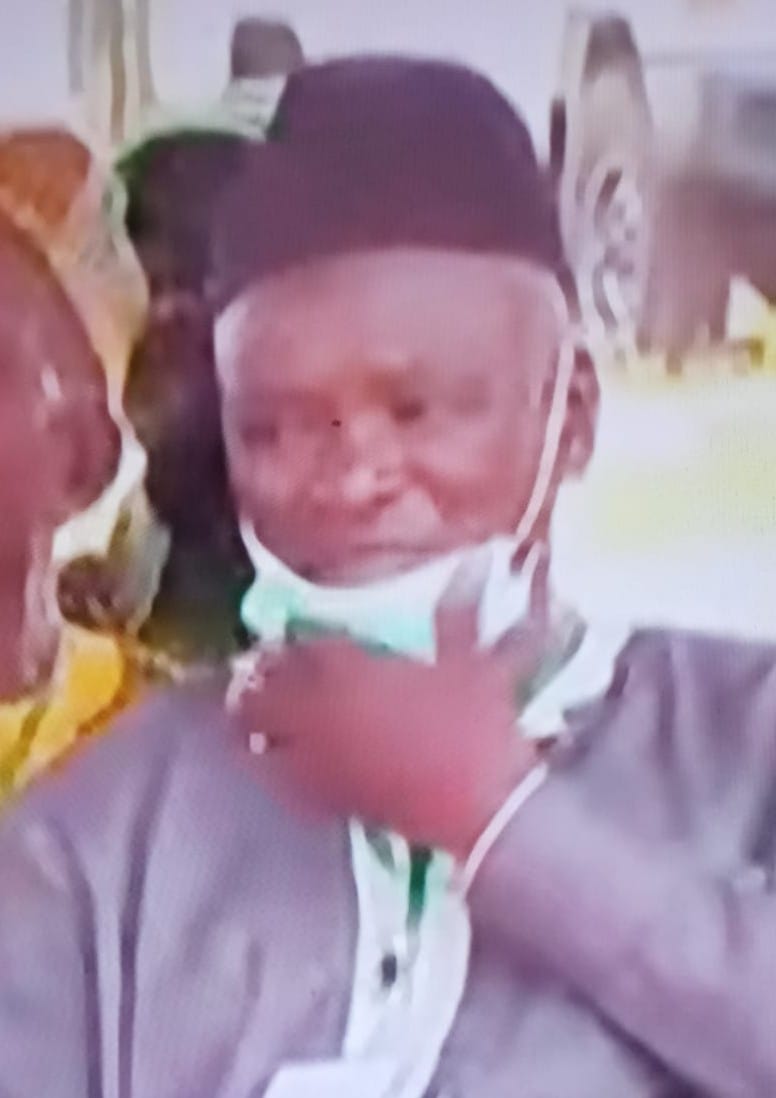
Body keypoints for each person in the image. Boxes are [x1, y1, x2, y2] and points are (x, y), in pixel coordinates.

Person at [1, 57, 776, 1098]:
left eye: (418, 411)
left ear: (572, 416)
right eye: (272, 428)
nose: (350, 476)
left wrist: (500, 818)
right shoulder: (106, 830)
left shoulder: (741, 733)